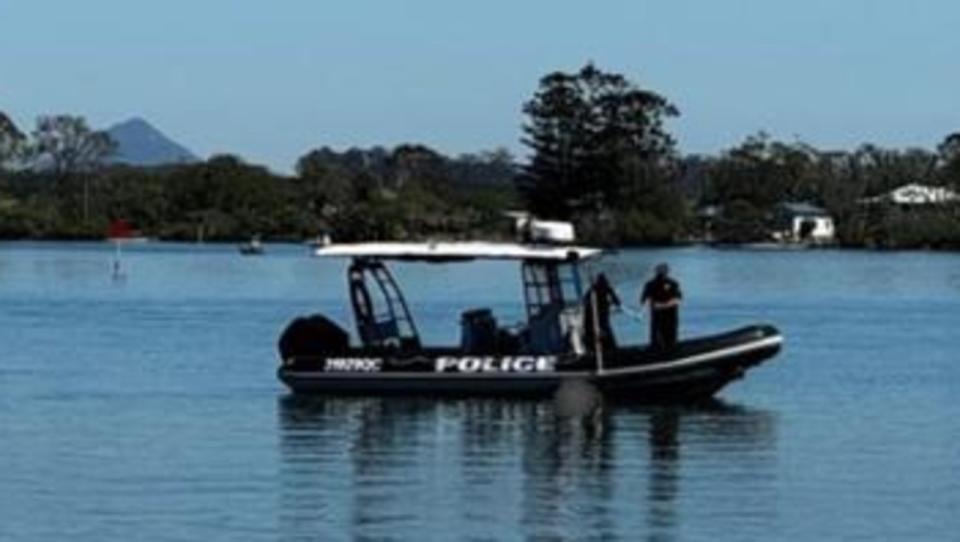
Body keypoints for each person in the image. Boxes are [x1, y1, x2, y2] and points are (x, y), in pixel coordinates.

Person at [640, 263, 682, 350]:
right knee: (657, 341)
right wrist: (641, 312)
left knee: (670, 340)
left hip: (670, 317)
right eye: (659, 271)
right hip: (657, 317)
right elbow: (643, 300)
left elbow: (677, 300)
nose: (661, 273)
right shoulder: (650, 284)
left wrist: (662, 305)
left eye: (662, 271)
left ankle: (669, 352)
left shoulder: (673, 283)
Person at [584, 272, 621, 351]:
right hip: (599, 312)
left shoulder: (595, 288)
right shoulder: (598, 288)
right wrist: (613, 303)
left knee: (602, 327)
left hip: (600, 312)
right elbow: (617, 301)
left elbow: (616, 300)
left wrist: (612, 303)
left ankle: (607, 345)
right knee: (603, 327)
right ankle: (608, 345)